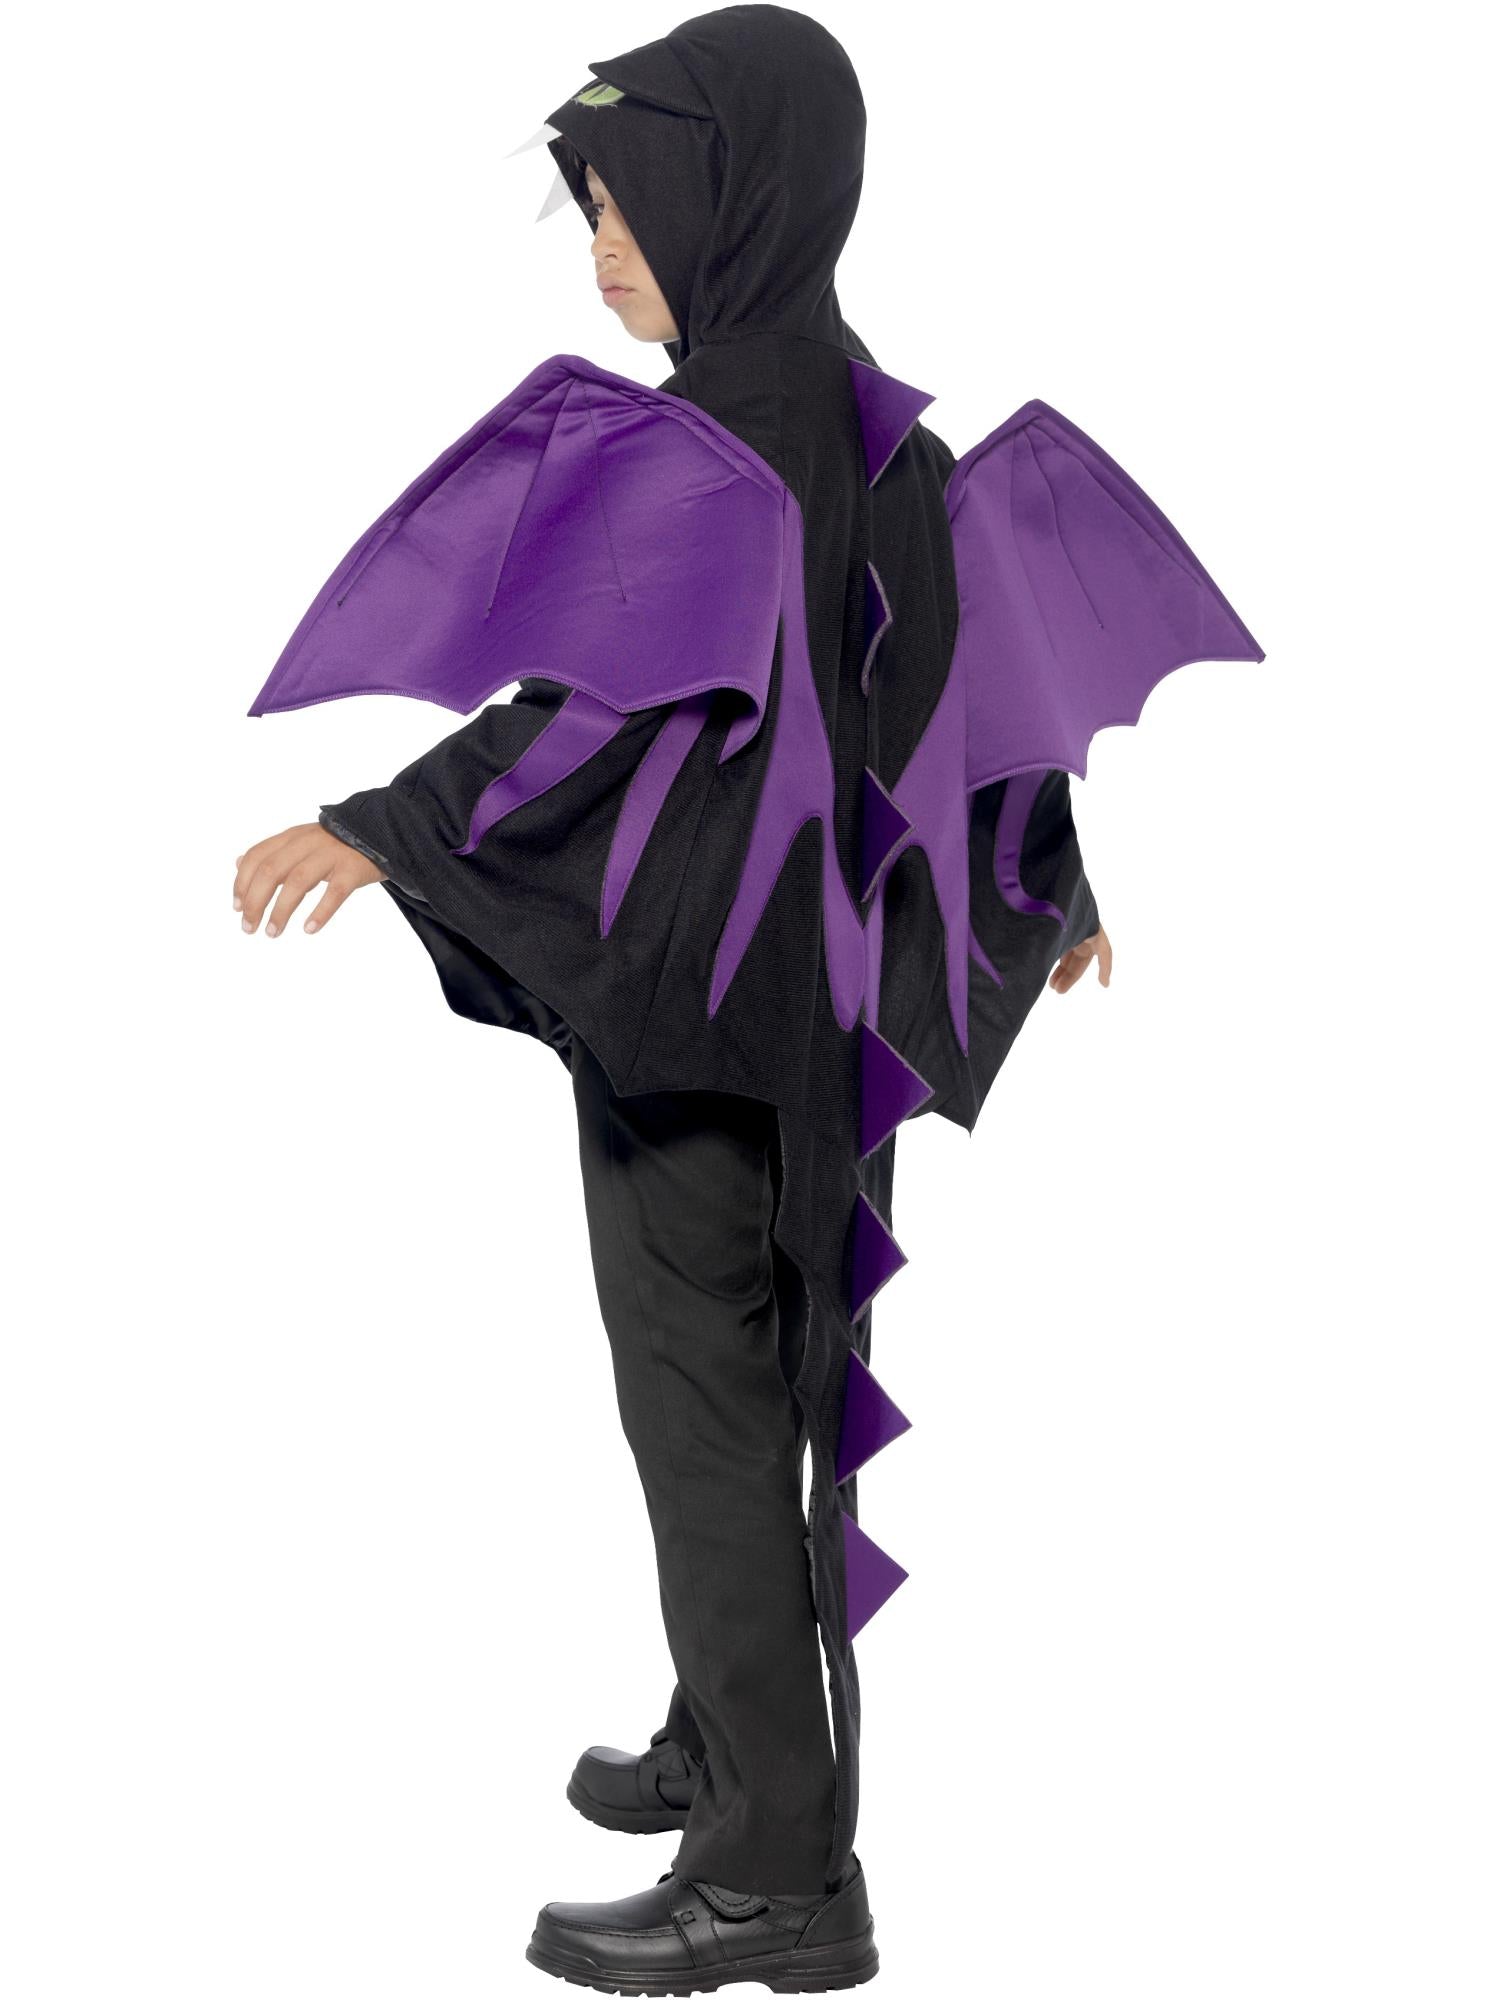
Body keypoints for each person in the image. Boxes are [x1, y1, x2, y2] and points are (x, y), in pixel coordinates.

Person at [234, 8, 1260, 1989]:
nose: (604, 250)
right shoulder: (881, 432)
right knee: (773, 1388)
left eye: (631, 208)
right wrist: (1050, 883)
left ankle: (778, 1872)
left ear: (741, 204)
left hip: (700, 1022)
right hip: (826, 1025)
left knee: (702, 1409)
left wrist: (379, 825)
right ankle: (732, 1733)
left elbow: (598, 716)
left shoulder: (710, 444)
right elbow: (956, 687)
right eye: (594, 213)